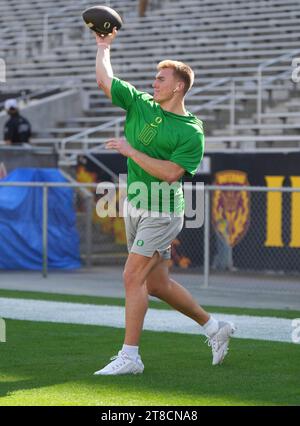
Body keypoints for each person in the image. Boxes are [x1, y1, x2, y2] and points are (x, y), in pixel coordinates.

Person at [93, 28, 236, 375]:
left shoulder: (191, 129)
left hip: (162, 209)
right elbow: (105, 81)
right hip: (135, 203)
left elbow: (172, 173)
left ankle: (131, 357)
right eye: (154, 78)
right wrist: (103, 47)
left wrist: (130, 150)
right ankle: (215, 327)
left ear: (178, 87)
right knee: (156, 284)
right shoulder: (141, 103)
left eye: (160, 79)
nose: (153, 83)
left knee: (131, 277)